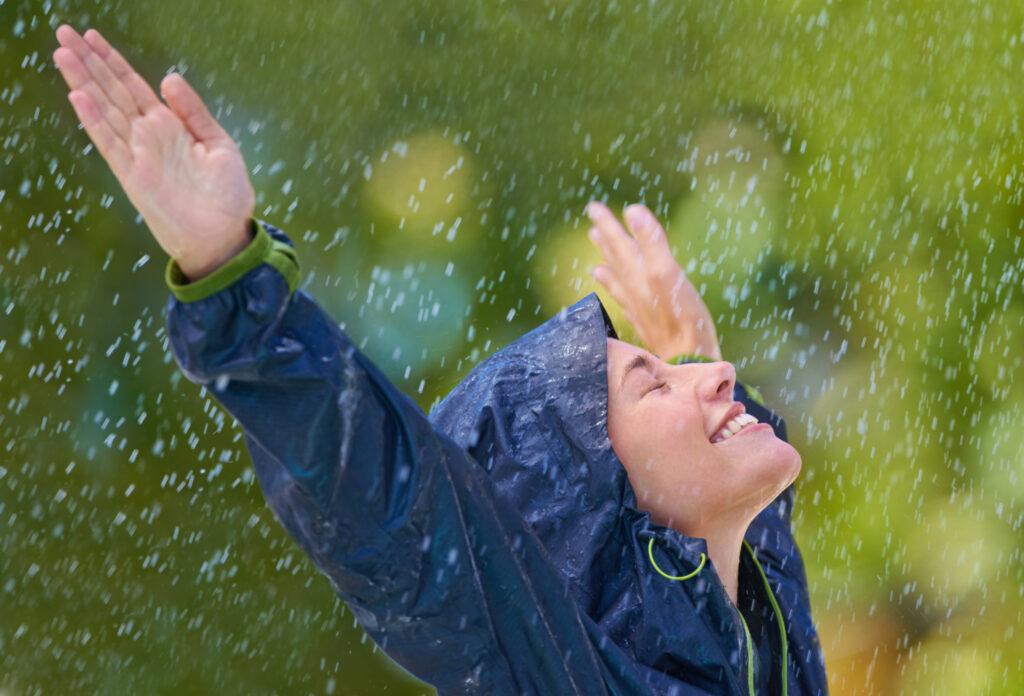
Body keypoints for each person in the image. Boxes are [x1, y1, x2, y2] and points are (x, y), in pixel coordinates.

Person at [53, 24, 828, 695]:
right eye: (653, 383)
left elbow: (752, 565)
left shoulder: (754, 645)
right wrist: (228, 273)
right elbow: (396, 513)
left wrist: (688, 357)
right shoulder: (558, 677)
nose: (721, 375)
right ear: (590, 513)